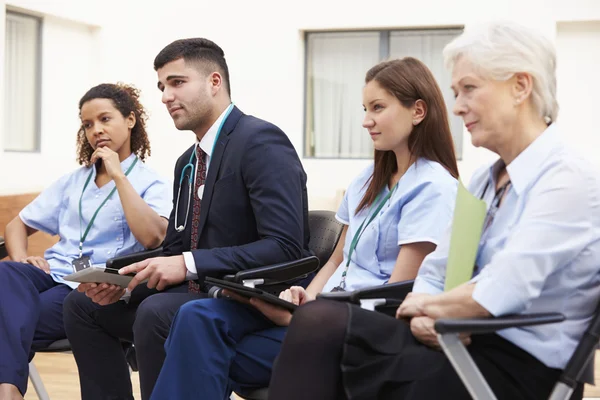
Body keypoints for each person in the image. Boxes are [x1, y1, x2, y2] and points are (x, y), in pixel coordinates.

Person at [267, 20, 600, 400]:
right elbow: (440, 270)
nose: (457, 106)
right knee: (318, 326)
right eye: (456, 92)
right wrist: (425, 307)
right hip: (456, 341)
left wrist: (427, 308)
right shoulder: (484, 183)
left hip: (514, 367)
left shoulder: (568, 181)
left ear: (520, 86)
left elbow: (502, 289)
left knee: (322, 328)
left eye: (469, 89)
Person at [150, 57, 460, 400]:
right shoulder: (367, 182)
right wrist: (303, 300)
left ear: (418, 111)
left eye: (377, 108)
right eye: (364, 108)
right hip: (325, 314)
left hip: (363, 332)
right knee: (197, 318)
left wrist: (304, 318)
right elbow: (335, 261)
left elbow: (395, 296)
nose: (365, 121)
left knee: (199, 347)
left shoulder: (433, 188)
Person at [62, 38, 311, 400]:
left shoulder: (260, 142)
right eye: (162, 86)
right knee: (82, 305)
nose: (165, 96)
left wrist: (187, 263)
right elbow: (175, 247)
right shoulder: (187, 162)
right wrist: (121, 279)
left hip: (249, 298)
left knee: (157, 312)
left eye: (177, 82)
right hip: (197, 290)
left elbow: (286, 247)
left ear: (214, 82)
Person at [0, 83, 171, 400]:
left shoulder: (151, 182)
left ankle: (7, 390)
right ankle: (8, 392)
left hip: (88, 289)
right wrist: (23, 257)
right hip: (51, 271)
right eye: (88, 124)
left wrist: (119, 175)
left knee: (11, 317)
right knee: (6, 273)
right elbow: (16, 225)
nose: (96, 130)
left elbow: (153, 236)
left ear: (130, 120)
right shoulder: (73, 181)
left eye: (105, 119)